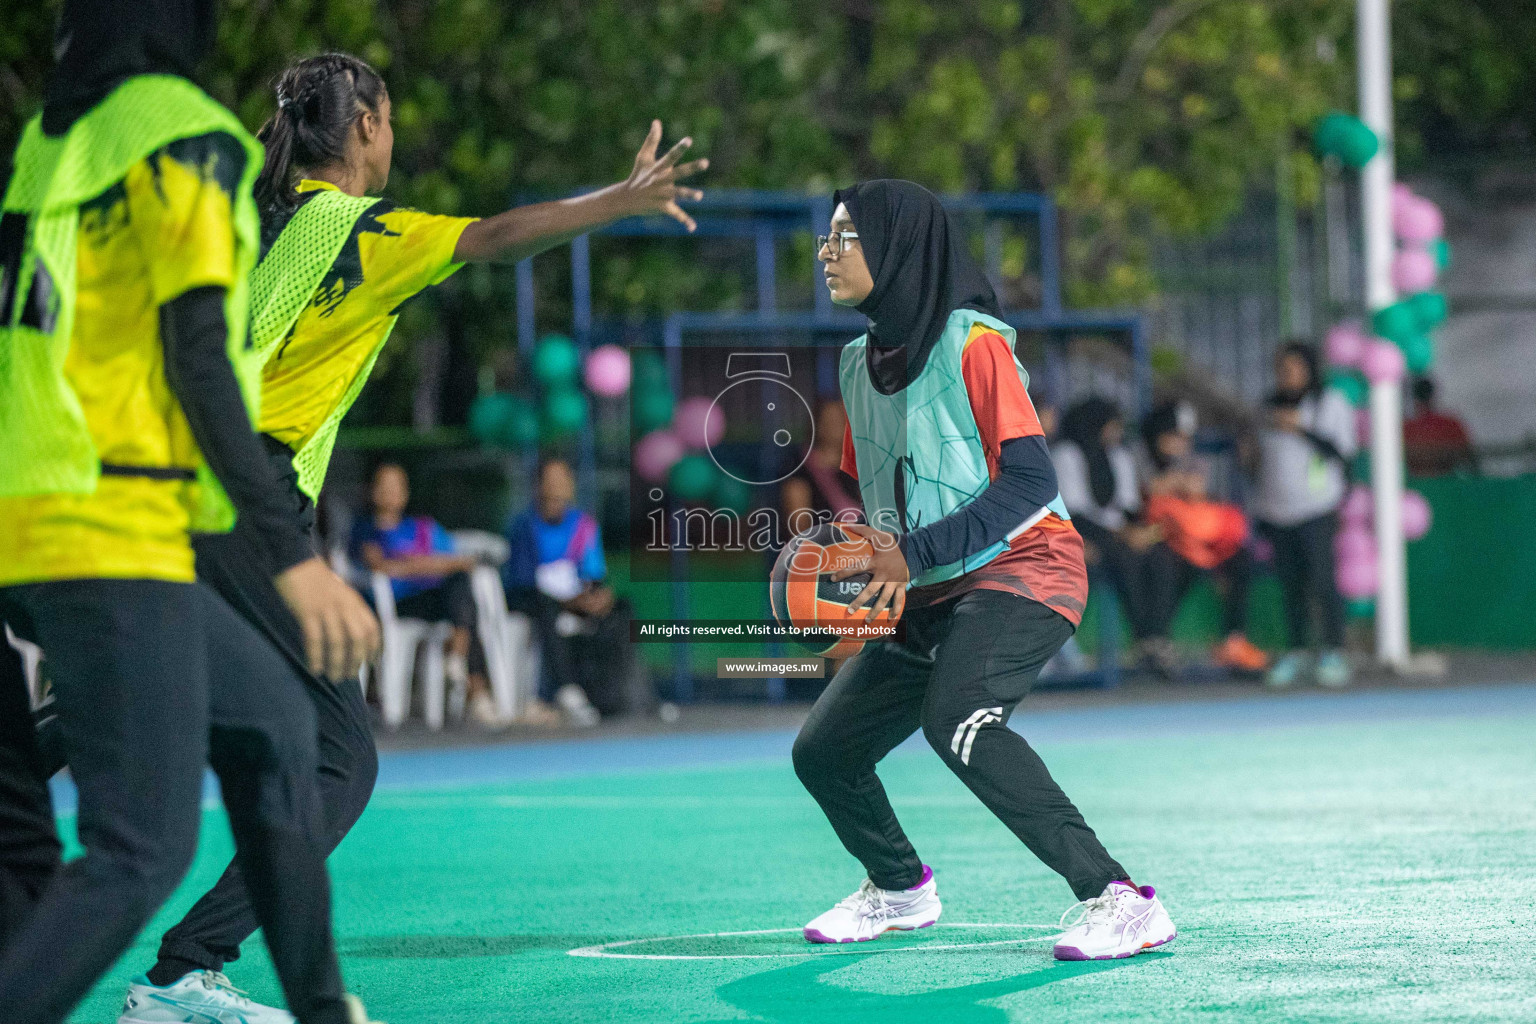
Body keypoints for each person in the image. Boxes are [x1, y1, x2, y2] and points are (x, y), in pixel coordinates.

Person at [28, 49, 705, 1024]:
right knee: (342, 752)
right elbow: (499, 237)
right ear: (367, 128)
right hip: (251, 498)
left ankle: (174, 958)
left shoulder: (237, 222)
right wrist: (619, 199)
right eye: (388, 118)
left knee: (124, 690)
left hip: (156, 485)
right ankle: (183, 973)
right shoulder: (360, 228)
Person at [0, 4, 381, 1022]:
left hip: (34, 511)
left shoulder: (52, 138)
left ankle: (317, 1001)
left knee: (275, 730)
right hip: (111, 515)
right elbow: (201, 358)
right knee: (139, 848)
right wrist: (287, 551)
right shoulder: (184, 132)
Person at [791, 181, 1174, 961]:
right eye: (826, 238)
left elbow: (1033, 483)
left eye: (846, 238)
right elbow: (883, 502)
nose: (827, 253)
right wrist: (858, 565)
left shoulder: (974, 343)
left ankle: (1118, 899)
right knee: (823, 752)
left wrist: (914, 554)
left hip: (1026, 567)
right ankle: (899, 888)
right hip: (932, 587)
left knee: (959, 719)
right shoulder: (858, 364)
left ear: (896, 247)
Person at [351, 462, 500, 728]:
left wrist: (410, 564)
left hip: (436, 599)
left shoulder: (422, 527)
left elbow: (461, 562)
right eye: (383, 487)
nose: (389, 493)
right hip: (398, 605)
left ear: (405, 493)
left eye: (395, 487)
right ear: (372, 492)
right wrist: (430, 564)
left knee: (460, 589)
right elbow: (379, 566)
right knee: (461, 602)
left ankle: (458, 659)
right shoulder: (365, 530)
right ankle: (469, 679)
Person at [503, 457, 642, 723]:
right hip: (533, 600)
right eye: (550, 481)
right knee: (546, 606)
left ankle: (614, 694)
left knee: (622, 608)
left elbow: (593, 577)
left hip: (576, 602)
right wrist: (569, 602)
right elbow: (524, 581)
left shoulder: (584, 526)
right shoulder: (524, 527)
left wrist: (599, 597)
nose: (556, 489)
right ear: (537, 487)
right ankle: (566, 690)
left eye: (562, 481)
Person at [1252, 341, 1357, 688]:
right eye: (1282, 369)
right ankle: (1297, 650)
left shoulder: (1330, 403)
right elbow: (1259, 459)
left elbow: (1341, 452)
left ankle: (1334, 651)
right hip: (1276, 510)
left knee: (1323, 581)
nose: (1288, 376)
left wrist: (1299, 428)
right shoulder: (1267, 407)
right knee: (1291, 585)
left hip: (1317, 508)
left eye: (1295, 369)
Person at [1052, 397, 1180, 676]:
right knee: (1126, 559)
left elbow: (1128, 506)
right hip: (1083, 533)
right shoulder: (1067, 454)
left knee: (1161, 557)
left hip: (1119, 532)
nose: (1115, 433)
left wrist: (1140, 531)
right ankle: (1147, 640)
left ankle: (1156, 638)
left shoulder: (1118, 456)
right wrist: (1124, 534)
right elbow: (1073, 510)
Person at [1139, 400, 1268, 674]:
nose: (1181, 443)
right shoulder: (1140, 459)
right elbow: (1143, 504)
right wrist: (1169, 486)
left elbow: (1203, 503)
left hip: (1199, 542)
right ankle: (1156, 642)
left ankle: (1234, 641)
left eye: (1185, 438)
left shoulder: (1193, 462)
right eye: (1175, 436)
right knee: (1166, 566)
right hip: (1163, 543)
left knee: (1240, 561)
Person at [780, 400, 862, 529]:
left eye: (840, 421)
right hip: (823, 545)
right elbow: (799, 526)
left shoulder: (859, 468)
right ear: (817, 424)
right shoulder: (799, 470)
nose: (834, 427)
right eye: (829, 421)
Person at [1404, 376, 1474, 476]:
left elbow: (1470, 459)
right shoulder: (1450, 424)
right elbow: (1471, 460)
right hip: (1427, 482)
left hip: (1443, 482)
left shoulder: (1406, 428)